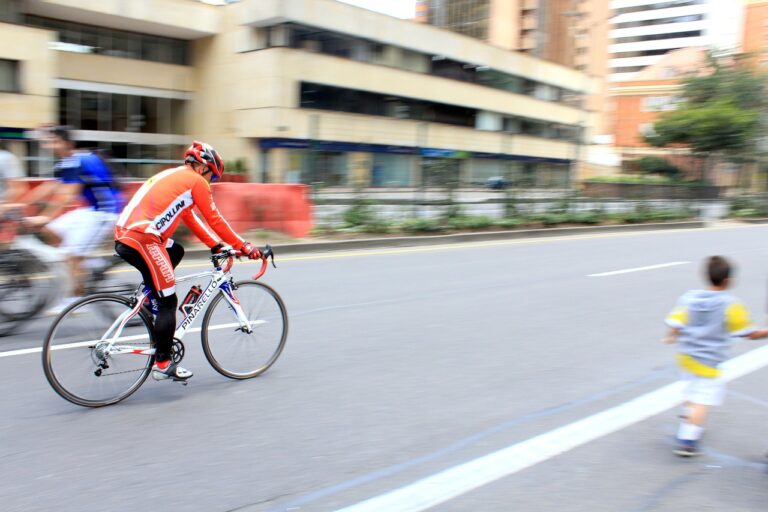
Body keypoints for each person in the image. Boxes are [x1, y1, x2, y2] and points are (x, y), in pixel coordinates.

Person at [114, 141, 262, 382]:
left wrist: (214, 245)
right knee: (169, 301)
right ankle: (162, 363)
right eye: (212, 176)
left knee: (176, 251)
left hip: (129, 234)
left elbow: (191, 219)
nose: (210, 182)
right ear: (205, 168)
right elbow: (215, 219)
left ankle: (149, 296)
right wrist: (243, 246)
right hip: (144, 238)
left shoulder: (177, 177)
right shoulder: (196, 182)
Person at [664, 255, 768, 457]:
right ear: (729, 281)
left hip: (686, 357)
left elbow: (675, 322)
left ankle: (688, 415)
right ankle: (687, 441)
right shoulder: (731, 304)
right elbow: (747, 333)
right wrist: (765, 332)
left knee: (692, 390)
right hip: (708, 363)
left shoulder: (690, 297)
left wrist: (670, 336)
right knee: (702, 400)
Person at [22, 126, 124, 311]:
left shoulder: (80, 160)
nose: (49, 146)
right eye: (47, 142)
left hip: (105, 212)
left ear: (67, 143)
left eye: (54, 141)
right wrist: (19, 205)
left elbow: (68, 193)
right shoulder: (65, 163)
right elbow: (49, 187)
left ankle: (75, 299)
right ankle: (85, 261)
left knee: (71, 257)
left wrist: (44, 216)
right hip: (89, 210)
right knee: (51, 230)